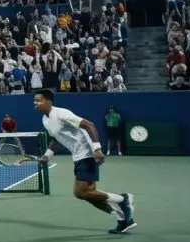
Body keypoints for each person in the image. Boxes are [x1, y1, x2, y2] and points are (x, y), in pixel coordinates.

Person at [33, 89, 136, 234]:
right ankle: (123, 219)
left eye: (39, 100)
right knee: (85, 193)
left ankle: (123, 199)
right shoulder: (45, 120)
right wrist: (47, 156)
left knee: (82, 192)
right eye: (34, 101)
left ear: (49, 101)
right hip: (78, 155)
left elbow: (89, 125)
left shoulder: (61, 113)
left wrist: (97, 148)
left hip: (87, 153)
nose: (35, 103)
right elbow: (56, 140)